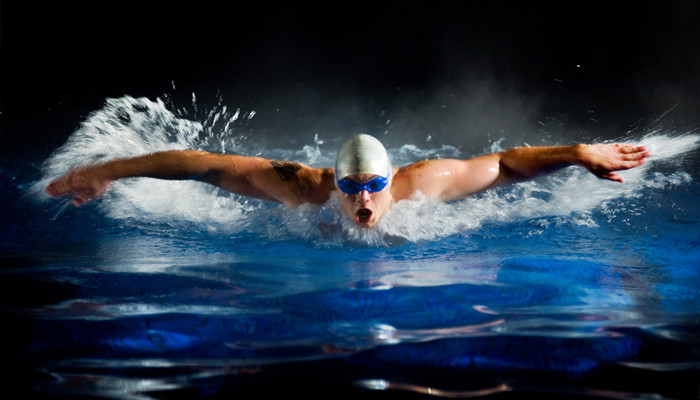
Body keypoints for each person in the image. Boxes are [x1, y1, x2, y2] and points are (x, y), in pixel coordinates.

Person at [46, 134, 650, 228]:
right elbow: (200, 163)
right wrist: (107, 171)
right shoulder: (302, 187)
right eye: (350, 187)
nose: (362, 199)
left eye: (373, 186)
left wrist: (576, 152)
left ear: (392, 179)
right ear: (331, 182)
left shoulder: (420, 185)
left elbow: (508, 163)